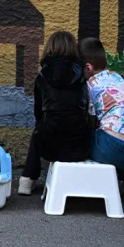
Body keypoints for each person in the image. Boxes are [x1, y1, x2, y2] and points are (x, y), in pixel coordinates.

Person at [18, 31, 91, 196]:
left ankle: (26, 180)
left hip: (49, 146)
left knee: (40, 129)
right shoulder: (81, 76)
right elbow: (84, 110)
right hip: (80, 147)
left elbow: (38, 113)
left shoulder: (42, 76)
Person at [80, 38, 124, 203]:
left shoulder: (90, 86)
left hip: (111, 149)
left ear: (88, 68)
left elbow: (91, 121)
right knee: (122, 131)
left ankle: (87, 186)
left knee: (91, 135)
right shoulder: (117, 78)